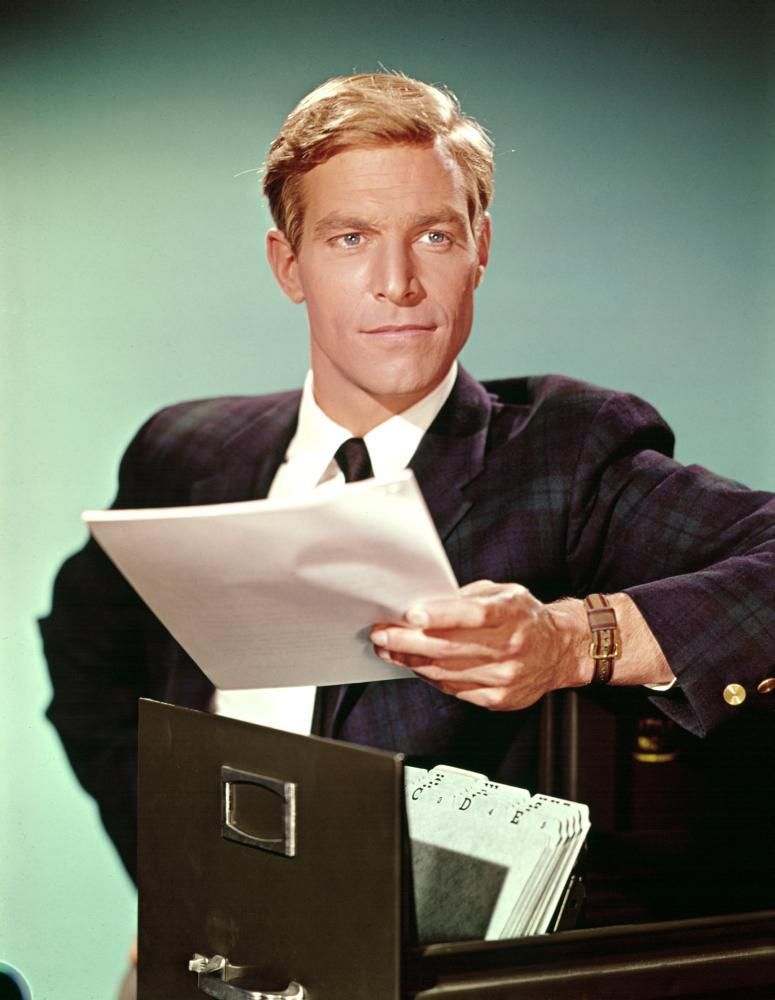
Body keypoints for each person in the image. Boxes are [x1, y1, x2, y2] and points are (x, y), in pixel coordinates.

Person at [40, 73, 775, 898]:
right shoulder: (183, 453)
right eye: (350, 238)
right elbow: (85, 660)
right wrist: (173, 876)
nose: (397, 282)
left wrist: (573, 642)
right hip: (216, 937)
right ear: (288, 264)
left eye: (433, 235)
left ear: (479, 249)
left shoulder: (566, 453)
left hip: (433, 955)